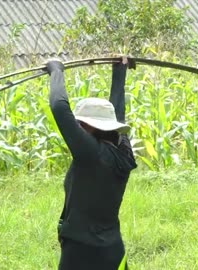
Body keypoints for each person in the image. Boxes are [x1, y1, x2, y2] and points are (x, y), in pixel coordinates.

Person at [45, 56, 137, 269]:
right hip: (113, 249)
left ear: (88, 126)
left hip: (80, 251)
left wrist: (56, 69)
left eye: (79, 124)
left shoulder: (89, 153)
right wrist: (119, 70)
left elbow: (59, 107)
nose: (76, 126)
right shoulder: (123, 151)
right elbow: (119, 114)